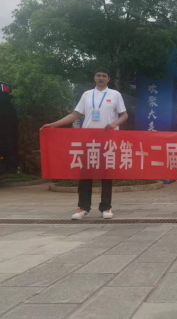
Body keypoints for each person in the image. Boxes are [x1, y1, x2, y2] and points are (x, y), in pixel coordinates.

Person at [41, 68, 128, 220]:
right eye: (98, 75)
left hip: (108, 141)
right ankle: (83, 207)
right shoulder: (87, 95)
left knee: (107, 174)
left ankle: (106, 207)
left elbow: (124, 115)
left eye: (104, 76)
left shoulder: (115, 94)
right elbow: (75, 114)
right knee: (85, 175)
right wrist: (54, 124)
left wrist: (115, 124)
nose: (101, 78)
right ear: (94, 78)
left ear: (108, 79)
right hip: (88, 141)